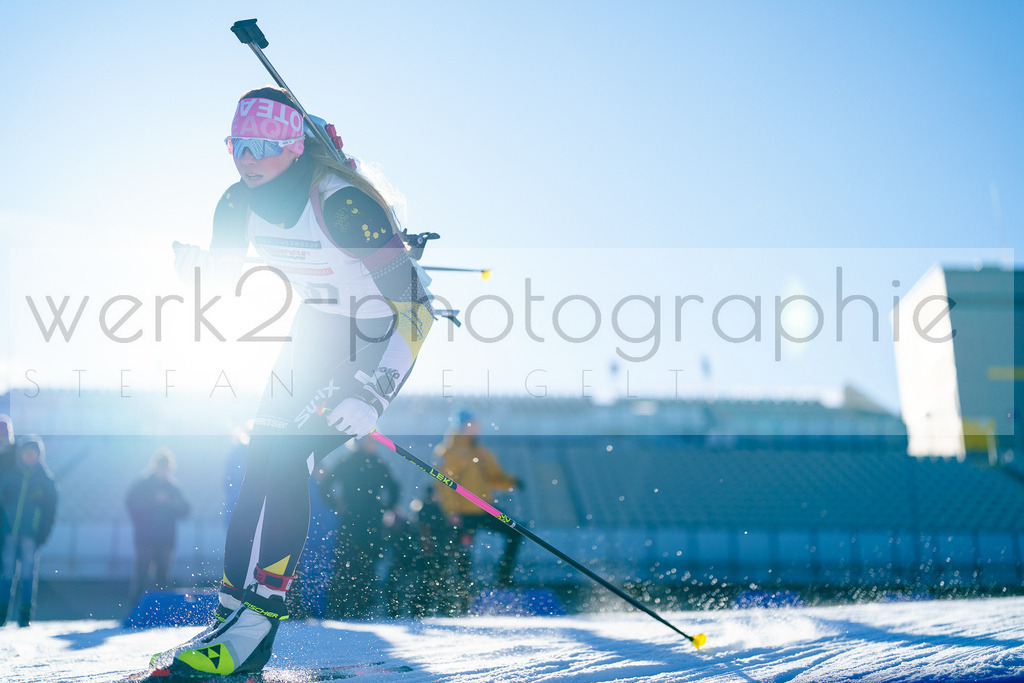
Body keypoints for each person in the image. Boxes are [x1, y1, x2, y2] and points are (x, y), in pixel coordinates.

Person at [160, 87, 433, 677]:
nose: (247, 159)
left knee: (284, 461)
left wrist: (372, 393)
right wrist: (199, 270)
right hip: (314, 329)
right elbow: (226, 277)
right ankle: (235, 623)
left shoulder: (342, 204)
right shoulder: (235, 202)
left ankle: (253, 625)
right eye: (237, 145)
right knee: (262, 459)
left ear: (292, 147)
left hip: (372, 332)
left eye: (262, 146)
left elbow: (416, 310)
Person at [434, 409, 523, 609]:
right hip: (463, 514)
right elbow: (443, 483)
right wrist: (451, 511)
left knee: (517, 531)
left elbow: (494, 477)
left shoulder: (481, 451)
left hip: (484, 509)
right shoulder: (450, 451)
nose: (476, 429)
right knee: (463, 557)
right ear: (462, 426)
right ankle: (461, 600)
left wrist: (512, 482)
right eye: (473, 425)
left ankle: (503, 577)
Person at [319, 437, 400, 618]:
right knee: (352, 562)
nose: (374, 445)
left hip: (365, 521)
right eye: (370, 442)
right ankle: (347, 605)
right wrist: (335, 502)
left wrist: (387, 507)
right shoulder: (351, 462)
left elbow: (394, 488)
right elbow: (325, 487)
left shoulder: (371, 463)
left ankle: (358, 605)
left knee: (362, 562)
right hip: (358, 521)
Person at [0, 437, 57, 627]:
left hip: (30, 534)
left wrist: (43, 533)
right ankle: (2, 612)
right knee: (6, 572)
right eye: (27, 452)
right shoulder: (11, 476)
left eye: (34, 453)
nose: (30, 456)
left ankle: (25, 614)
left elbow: (51, 510)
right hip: (9, 531)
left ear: (40, 456)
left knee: (27, 573)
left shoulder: (45, 480)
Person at [125, 448, 191, 602]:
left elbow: (186, 510)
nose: (163, 471)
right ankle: (134, 612)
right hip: (145, 538)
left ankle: (160, 613)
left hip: (165, 539)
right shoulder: (142, 485)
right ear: (155, 467)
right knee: (141, 575)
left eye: (166, 468)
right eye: (161, 467)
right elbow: (131, 505)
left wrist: (168, 503)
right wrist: (152, 502)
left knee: (162, 578)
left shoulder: (173, 488)